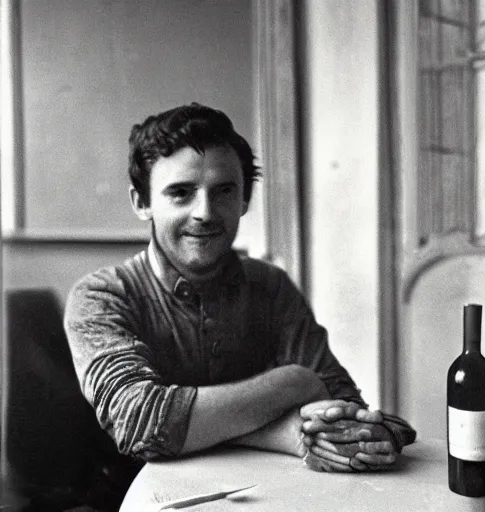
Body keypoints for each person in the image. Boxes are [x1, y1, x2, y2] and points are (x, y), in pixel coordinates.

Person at [64, 103, 416, 486]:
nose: (205, 212)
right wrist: (292, 385)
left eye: (224, 191)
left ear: (244, 199)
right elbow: (142, 424)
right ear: (142, 203)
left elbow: (344, 407)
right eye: (181, 193)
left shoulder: (271, 287)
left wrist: (380, 433)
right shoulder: (101, 296)